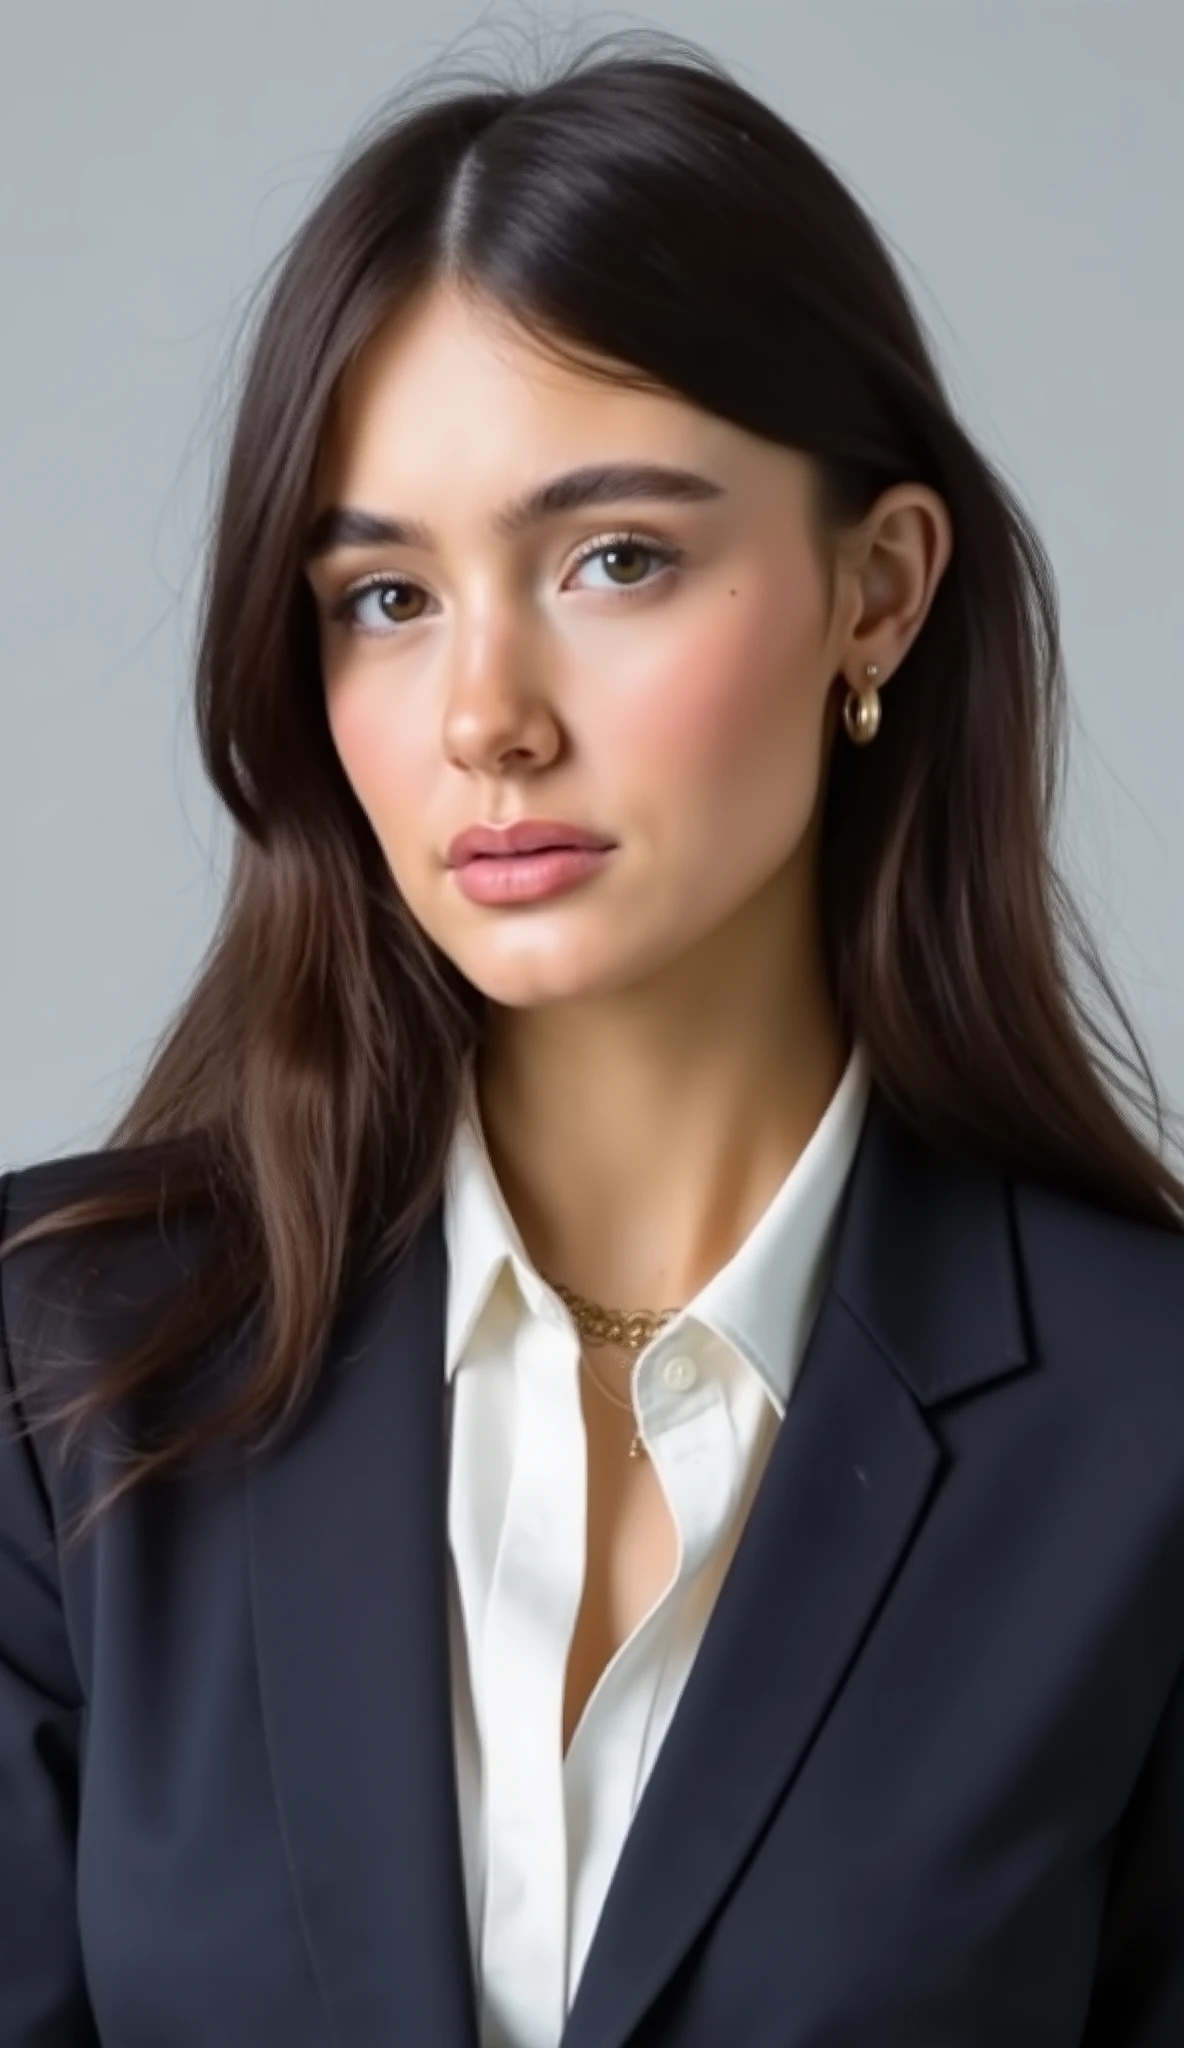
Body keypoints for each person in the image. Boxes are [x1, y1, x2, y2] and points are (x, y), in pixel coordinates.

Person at [2, 26, 1183, 2048]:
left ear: (876, 595)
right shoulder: (63, 1377)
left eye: (613, 556)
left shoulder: (1146, 1433)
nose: (486, 713)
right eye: (383, 596)